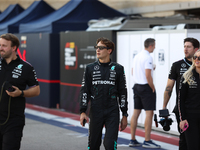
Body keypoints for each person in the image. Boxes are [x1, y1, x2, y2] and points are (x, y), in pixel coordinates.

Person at [79, 37, 128, 150]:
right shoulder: (90, 68)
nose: (97, 50)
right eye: (97, 47)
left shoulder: (118, 69)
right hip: (96, 110)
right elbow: (84, 90)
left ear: (109, 50)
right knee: (93, 145)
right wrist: (82, 111)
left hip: (112, 111)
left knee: (110, 145)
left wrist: (124, 114)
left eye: (101, 48)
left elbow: (123, 93)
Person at [0, 33, 40, 150]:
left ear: (14, 48)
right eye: (0, 45)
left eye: (4, 45)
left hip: (13, 121)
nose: (0, 48)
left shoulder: (26, 67)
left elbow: (36, 90)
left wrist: (21, 93)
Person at [163, 37, 199, 150]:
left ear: (196, 49)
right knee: (185, 139)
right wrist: (164, 109)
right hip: (183, 110)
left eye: (188, 47)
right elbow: (169, 87)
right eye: (184, 46)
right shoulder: (177, 66)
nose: (185, 49)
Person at [129, 38, 160, 148]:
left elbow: (133, 71)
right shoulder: (148, 57)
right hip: (145, 87)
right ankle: (147, 140)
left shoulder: (137, 56)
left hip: (136, 86)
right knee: (149, 113)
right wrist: (153, 88)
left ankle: (132, 139)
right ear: (151, 46)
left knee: (136, 113)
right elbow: (148, 75)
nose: (155, 47)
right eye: (154, 45)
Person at [178, 49, 200, 150]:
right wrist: (182, 119)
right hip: (191, 119)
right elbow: (180, 100)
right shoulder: (187, 77)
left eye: (199, 58)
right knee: (193, 146)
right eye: (195, 57)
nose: (197, 60)